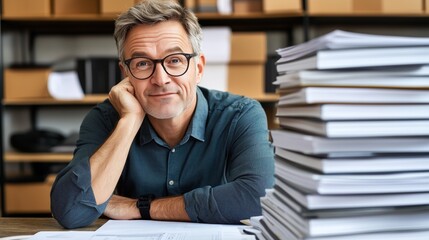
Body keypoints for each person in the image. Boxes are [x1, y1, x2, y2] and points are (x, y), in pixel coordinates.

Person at [50, 0, 274, 229]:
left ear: (198, 69)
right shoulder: (106, 119)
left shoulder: (240, 115)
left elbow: (258, 198)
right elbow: (71, 212)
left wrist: (141, 207)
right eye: (143, 63)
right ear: (125, 73)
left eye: (175, 60)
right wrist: (129, 122)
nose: (160, 79)